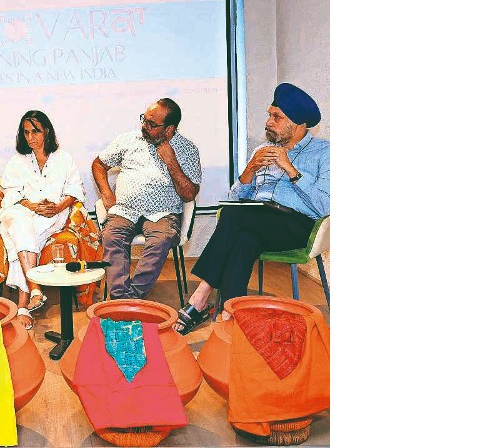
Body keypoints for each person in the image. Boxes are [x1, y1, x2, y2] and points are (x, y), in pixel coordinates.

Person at [175, 83, 330, 334]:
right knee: (244, 239)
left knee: (235, 217)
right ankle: (231, 315)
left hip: (297, 226)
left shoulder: (324, 153)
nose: (268, 122)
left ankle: (201, 295)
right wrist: (249, 171)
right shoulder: (261, 151)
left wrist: (291, 170)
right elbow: (234, 198)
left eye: (277, 117)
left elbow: (325, 205)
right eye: (269, 115)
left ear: (299, 124)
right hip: (255, 221)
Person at [92, 98, 202, 300]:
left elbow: (189, 194)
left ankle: (130, 299)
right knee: (111, 236)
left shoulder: (187, 149)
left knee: (161, 240)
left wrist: (171, 161)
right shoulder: (128, 140)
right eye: (144, 119)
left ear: (169, 129)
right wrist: (106, 193)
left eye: (152, 124)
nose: (144, 126)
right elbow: (99, 164)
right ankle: (122, 300)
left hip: (163, 214)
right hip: (125, 210)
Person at [0, 110, 85, 329]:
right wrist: (31, 206)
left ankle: (24, 304)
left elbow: (75, 190)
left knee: (18, 237)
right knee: (20, 223)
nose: (30, 137)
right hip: (22, 210)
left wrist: (58, 207)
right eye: (26, 132)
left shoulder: (64, 158)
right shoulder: (17, 161)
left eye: (35, 131)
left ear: (47, 132)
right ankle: (34, 289)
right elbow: (10, 192)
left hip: (52, 213)